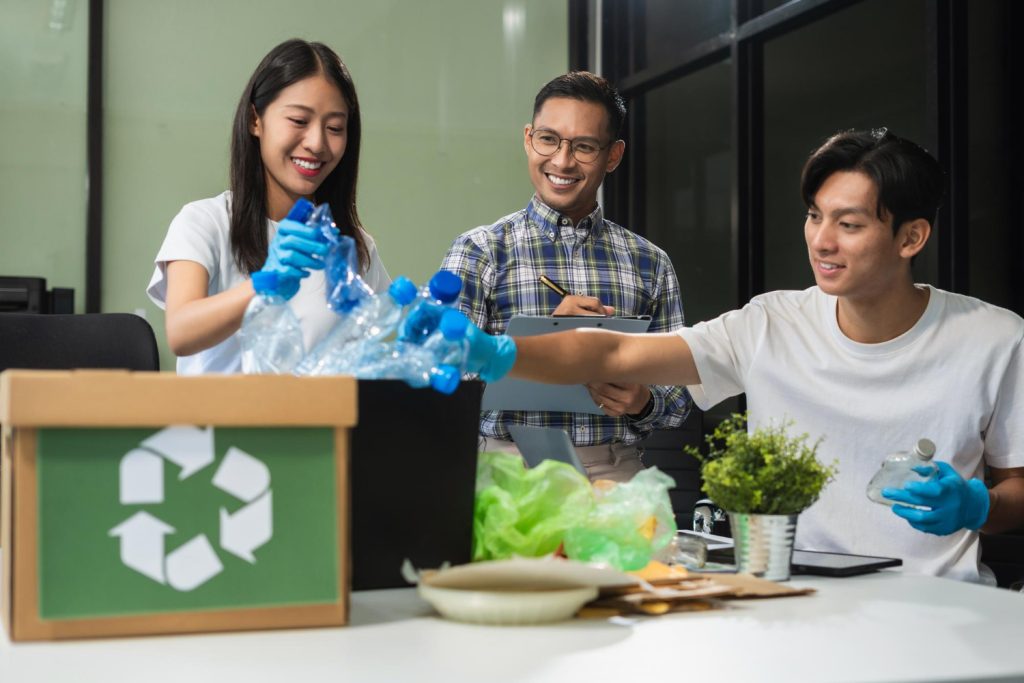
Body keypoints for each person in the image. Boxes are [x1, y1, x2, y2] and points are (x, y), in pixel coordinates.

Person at [503, 129, 1024, 582]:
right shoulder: (770, 324)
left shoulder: (993, 339)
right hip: (794, 598)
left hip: (938, 606)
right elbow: (613, 350)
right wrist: (495, 352)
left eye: (849, 224)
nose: (821, 241)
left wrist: (977, 505)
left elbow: (1016, 491)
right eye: (815, 216)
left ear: (911, 237)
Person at [440, 71, 692, 482]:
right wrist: (547, 343)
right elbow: (445, 380)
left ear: (613, 155)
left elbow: (679, 397)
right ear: (528, 139)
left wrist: (642, 400)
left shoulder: (650, 263)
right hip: (507, 474)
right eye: (548, 139)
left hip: (614, 473)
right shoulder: (479, 251)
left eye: (584, 147)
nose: (561, 161)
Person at [147, 39, 390, 374]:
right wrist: (264, 284)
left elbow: (376, 354)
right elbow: (181, 332)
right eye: (299, 121)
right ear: (255, 120)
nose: (317, 143)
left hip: (317, 410)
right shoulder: (205, 222)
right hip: (220, 410)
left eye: (334, 128)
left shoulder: (354, 245)